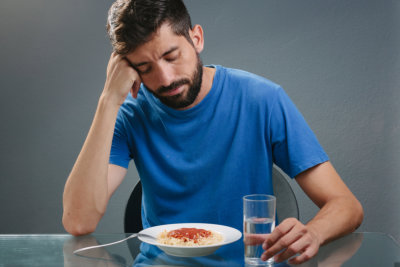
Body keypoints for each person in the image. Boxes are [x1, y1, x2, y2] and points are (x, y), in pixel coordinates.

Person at [62, 0, 364, 264]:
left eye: (171, 56)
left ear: (197, 38)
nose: (165, 78)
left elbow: (346, 205)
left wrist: (313, 232)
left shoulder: (262, 99)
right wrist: (108, 101)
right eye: (145, 67)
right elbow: (78, 221)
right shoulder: (130, 113)